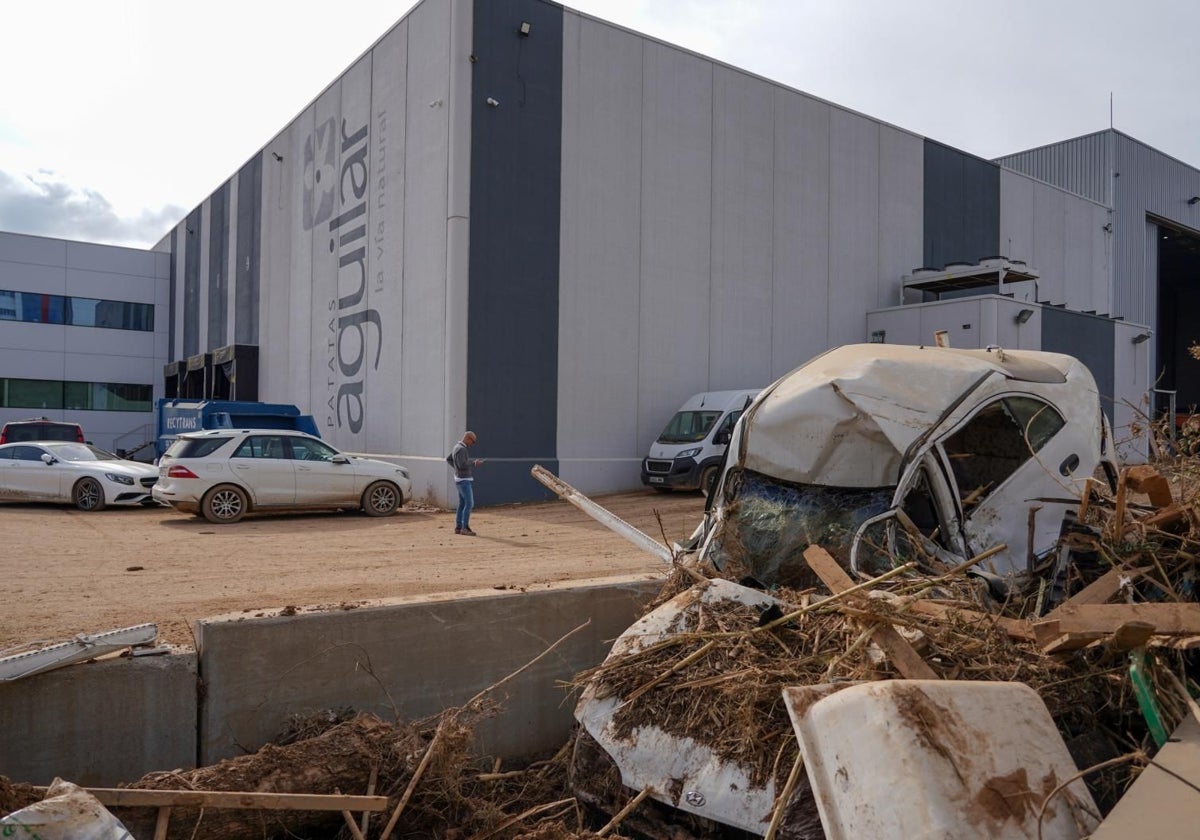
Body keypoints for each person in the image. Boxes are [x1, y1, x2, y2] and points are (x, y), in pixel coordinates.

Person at [450, 431, 483, 536]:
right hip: (464, 480)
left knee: (462, 504)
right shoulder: (462, 449)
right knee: (469, 503)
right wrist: (474, 463)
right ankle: (464, 528)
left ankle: (459, 527)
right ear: (468, 438)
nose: (471, 444)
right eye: (472, 442)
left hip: (459, 479)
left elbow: (449, 459)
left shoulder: (456, 447)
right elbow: (462, 465)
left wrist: (456, 471)